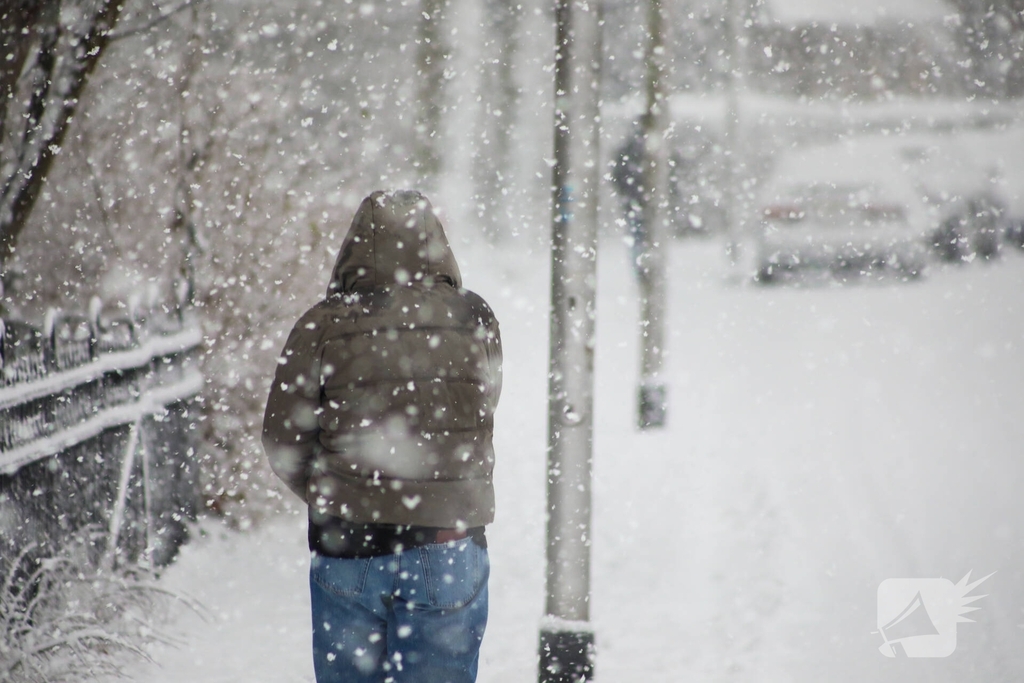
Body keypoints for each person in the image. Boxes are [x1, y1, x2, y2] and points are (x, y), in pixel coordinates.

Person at [262, 190, 502, 683]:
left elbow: (282, 436)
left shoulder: (321, 324)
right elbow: (482, 402)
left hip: (349, 548)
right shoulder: (472, 316)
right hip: (448, 544)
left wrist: (339, 491)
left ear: (353, 249)